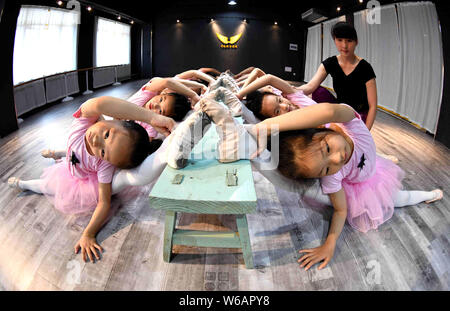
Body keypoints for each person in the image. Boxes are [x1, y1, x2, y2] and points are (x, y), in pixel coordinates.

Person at [8, 96, 175, 263]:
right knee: (63, 162)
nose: (96, 141)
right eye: (108, 134)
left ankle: (25, 184)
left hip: (79, 178)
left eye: (103, 152)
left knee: (46, 186)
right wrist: (152, 117)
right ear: (117, 119)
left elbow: (104, 203)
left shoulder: (104, 165)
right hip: (70, 163)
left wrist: (88, 233)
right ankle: (52, 160)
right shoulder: (83, 124)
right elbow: (98, 104)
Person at [299, 22, 378, 130]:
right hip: (340, 109)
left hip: (358, 114)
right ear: (334, 40)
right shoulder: (330, 63)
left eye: (349, 41)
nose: (344, 46)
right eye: (340, 40)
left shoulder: (365, 67)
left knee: (350, 135)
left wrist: (366, 133)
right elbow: (310, 86)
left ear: (356, 42)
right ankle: (326, 124)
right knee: (318, 91)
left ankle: (340, 127)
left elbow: (373, 105)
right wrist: (288, 90)